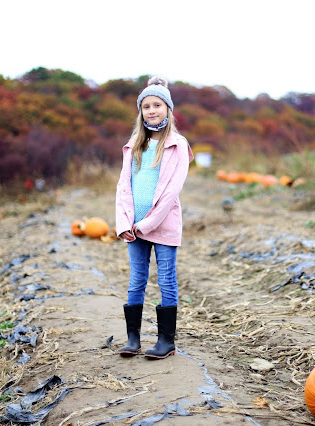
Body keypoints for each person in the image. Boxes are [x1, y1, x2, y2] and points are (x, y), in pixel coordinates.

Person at [115, 76, 193, 360]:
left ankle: (165, 340)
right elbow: (123, 187)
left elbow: (171, 192)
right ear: (141, 111)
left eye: (157, 104)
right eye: (146, 106)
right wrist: (124, 223)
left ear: (168, 109)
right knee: (136, 281)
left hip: (162, 225)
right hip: (133, 228)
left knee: (167, 280)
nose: (151, 110)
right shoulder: (134, 145)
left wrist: (145, 224)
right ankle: (132, 338)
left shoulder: (177, 146)